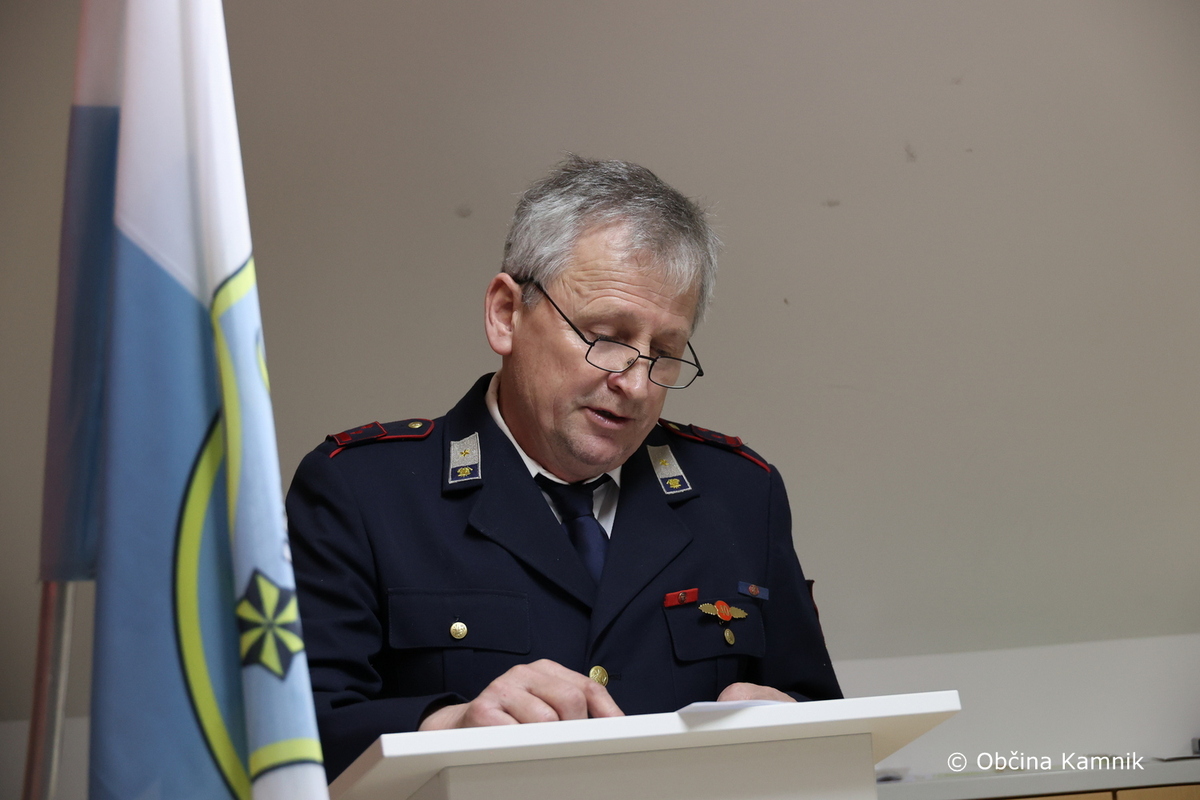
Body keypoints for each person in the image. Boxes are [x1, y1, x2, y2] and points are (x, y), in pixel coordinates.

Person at [286, 155, 841, 781]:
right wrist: (449, 728)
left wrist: (792, 723)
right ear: (506, 314)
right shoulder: (363, 491)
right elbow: (293, 740)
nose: (635, 383)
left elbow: (827, 721)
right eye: (606, 336)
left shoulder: (739, 494)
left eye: (664, 353)